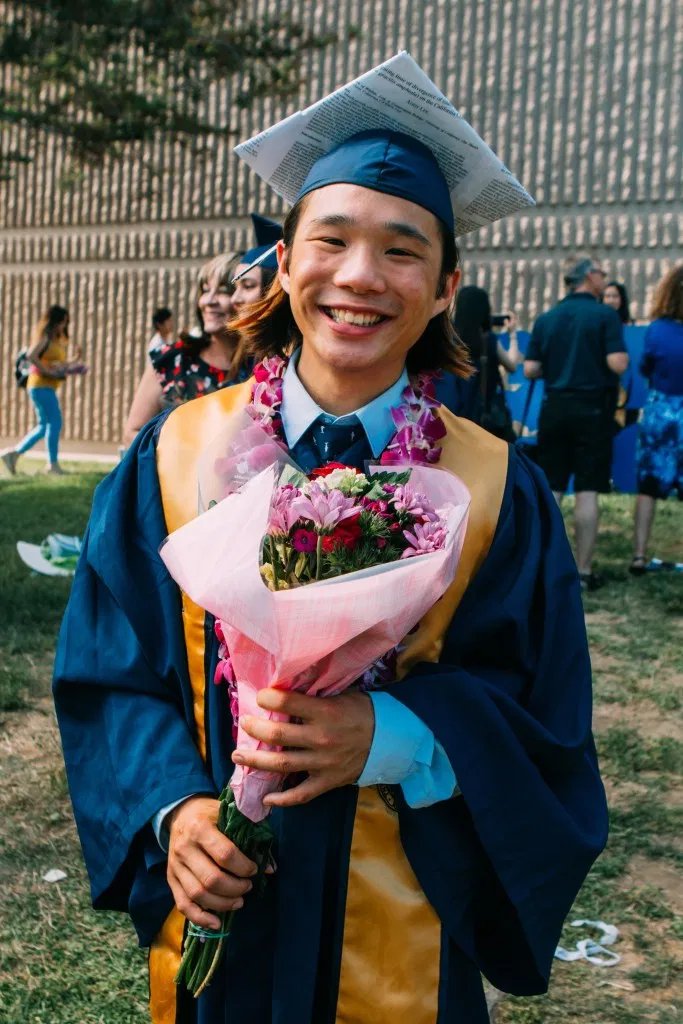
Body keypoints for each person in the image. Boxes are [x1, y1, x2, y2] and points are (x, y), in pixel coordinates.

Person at [54, 59, 607, 1024]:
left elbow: (543, 709)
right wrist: (174, 810)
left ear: (444, 288)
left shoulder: (492, 489)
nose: (359, 276)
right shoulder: (175, 456)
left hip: (402, 923)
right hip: (224, 905)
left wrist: (393, 734)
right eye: (332, 240)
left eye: (402, 250)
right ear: (286, 262)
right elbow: (113, 669)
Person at [524, 256, 629, 590]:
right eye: (602, 272)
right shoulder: (605, 315)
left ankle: (548, 568)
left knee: (552, 487)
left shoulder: (547, 317)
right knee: (587, 490)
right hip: (592, 411)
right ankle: (582, 570)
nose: (605, 279)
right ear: (588, 276)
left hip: (554, 407)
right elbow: (617, 363)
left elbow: (530, 369)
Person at [123, 253, 248, 445]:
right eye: (205, 290)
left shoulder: (268, 367)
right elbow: (133, 432)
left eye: (223, 291)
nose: (209, 301)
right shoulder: (171, 359)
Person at [630, 264, 683, 574]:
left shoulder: (657, 330)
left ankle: (639, 555)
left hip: (660, 412)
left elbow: (646, 368)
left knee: (648, 487)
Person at [1, 305, 85, 476]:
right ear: (57, 321)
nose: (65, 325)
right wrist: (46, 372)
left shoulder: (54, 340)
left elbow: (54, 363)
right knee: (55, 422)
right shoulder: (45, 337)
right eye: (64, 321)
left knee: (43, 426)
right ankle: (52, 465)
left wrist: (75, 360)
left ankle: (13, 454)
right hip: (40, 385)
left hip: (44, 386)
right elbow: (31, 355)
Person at [449, 285, 520, 438]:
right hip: (484, 421)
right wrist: (513, 335)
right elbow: (512, 365)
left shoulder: (448, 341)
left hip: (454, 418)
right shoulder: (487, 341)